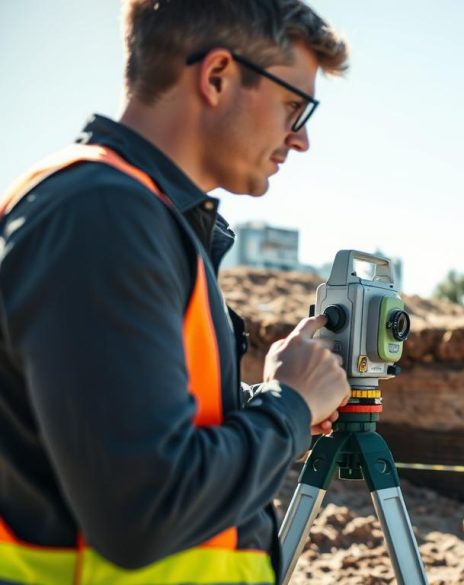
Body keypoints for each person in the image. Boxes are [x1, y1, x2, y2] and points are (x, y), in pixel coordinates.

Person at [0, 1, 352, 582]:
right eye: (294, 106)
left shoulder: (138, 216)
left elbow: (133, 423)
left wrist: (254, 399)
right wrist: (287, 407)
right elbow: (146, 510)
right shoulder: (102, 215)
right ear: (217, 77)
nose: (302, 139)